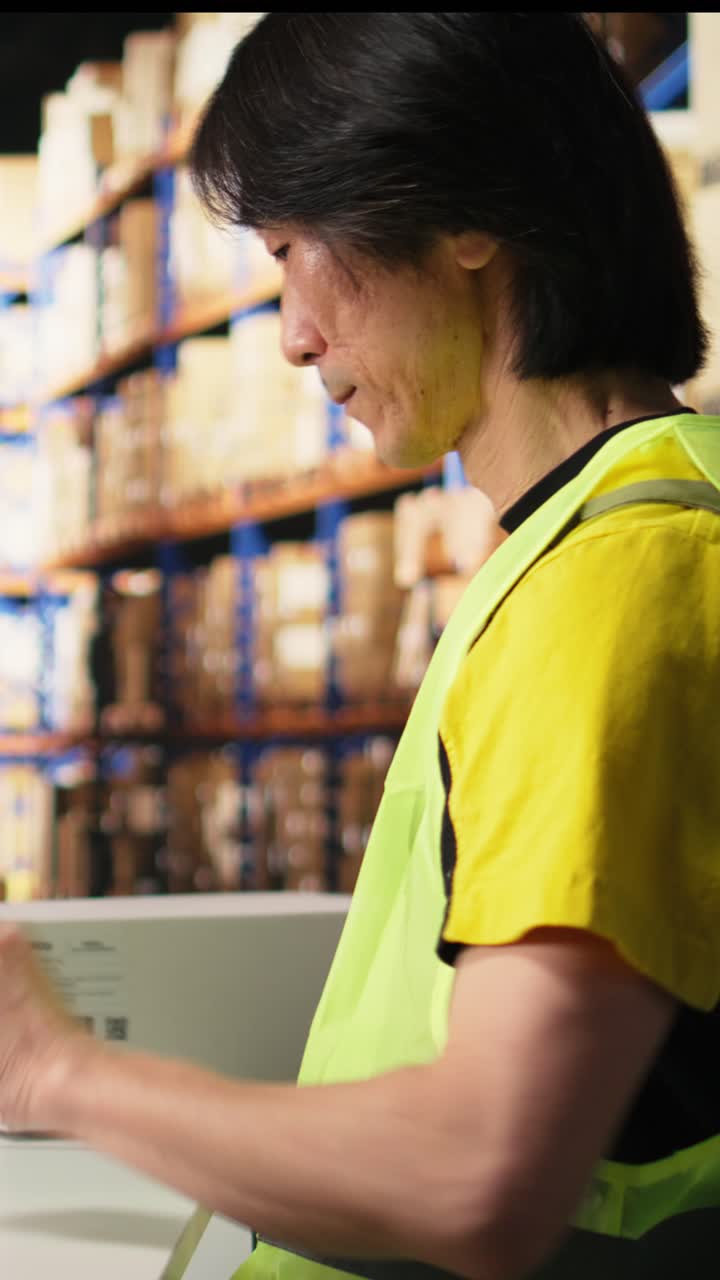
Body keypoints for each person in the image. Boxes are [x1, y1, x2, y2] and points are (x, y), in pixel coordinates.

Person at [1, 12, 719, 1278]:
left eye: (292, 250)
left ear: (462, 216)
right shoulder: (599, 535)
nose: (290, 334)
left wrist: (56, 1070)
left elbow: (479, 1171)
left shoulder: (616, 583)